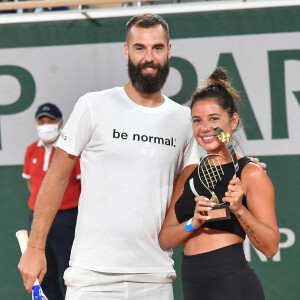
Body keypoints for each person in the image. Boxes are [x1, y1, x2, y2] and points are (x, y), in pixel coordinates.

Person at [18, 14, 265, 300]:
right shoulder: (92, 106)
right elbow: (57, 177)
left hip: (154, 280)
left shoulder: (184, 120)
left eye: (157, 48)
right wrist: (36, 248)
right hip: (91, 279)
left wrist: (245, 169)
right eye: (140, 48)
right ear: (126, 51)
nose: (149, 57)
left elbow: (203, 174)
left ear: (169, 51)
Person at [158, 67, 280, 300]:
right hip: (193, 289)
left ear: (233, 121)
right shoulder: (189, 174)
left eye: (214, 119)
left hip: (234, 286)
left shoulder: (251, 173)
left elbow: (271, 247)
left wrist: (239, 209)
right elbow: (165, 239)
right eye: (197, 120)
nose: (205, 128)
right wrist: (192, 223)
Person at [22, 103, 81, 300]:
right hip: (37, 219)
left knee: (69, 273)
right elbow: (31, 182)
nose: (46, 125)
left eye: (51, 121)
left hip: (67, 218)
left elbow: (83, 185)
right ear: (36, 123)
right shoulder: (31, 150)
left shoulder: (70, 150)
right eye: (42, 121)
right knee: (41, 273)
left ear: (60, 123)